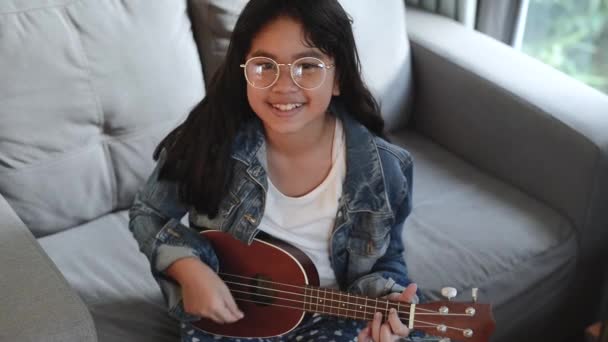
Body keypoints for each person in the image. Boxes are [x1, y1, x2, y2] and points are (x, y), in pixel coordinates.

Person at [129, 0, 430, 341]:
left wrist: (390, 306)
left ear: (338, 78)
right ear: (243, 70)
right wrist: (189, 269)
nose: (284, 85)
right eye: (265, 65)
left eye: (308, 66)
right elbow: (148, 212)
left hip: (334, 318)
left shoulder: (386, 169)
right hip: (233, 314)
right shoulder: (208, 139)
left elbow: (388, 258)